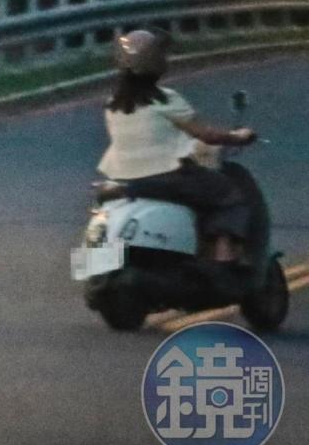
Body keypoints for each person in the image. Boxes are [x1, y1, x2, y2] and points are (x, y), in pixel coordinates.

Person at [96, 29, 256, 267]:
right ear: (156, 63)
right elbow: (206, 135)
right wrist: (238, 136)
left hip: (121, 179)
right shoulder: (165, 99)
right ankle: (224, 257)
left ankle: (95, 262)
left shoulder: (112, 104)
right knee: (229, 196)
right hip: (167, 177)